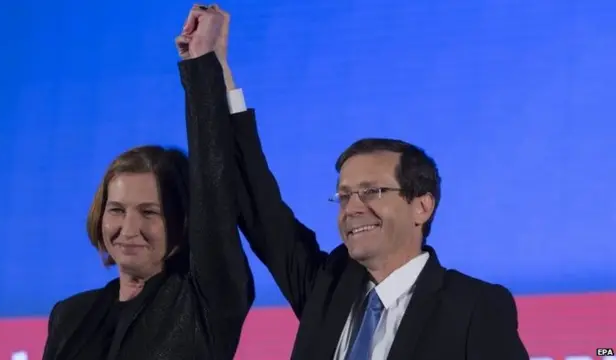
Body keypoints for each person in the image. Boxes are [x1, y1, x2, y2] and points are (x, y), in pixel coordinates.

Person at [184, 5, 530, 360]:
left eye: (372, 192)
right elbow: (255, 199)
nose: (352, 208)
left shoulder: (474, 306)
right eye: (344, 195)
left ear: (422, 206)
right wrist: (211, 68)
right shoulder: (327, 286)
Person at [41, 7, 254, 360]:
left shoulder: (206, 304)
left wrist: (203, 70)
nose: (129, 228)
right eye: (117, 210)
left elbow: (213, 190)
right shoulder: (70, 316)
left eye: (149, 212)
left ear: (184, 221)